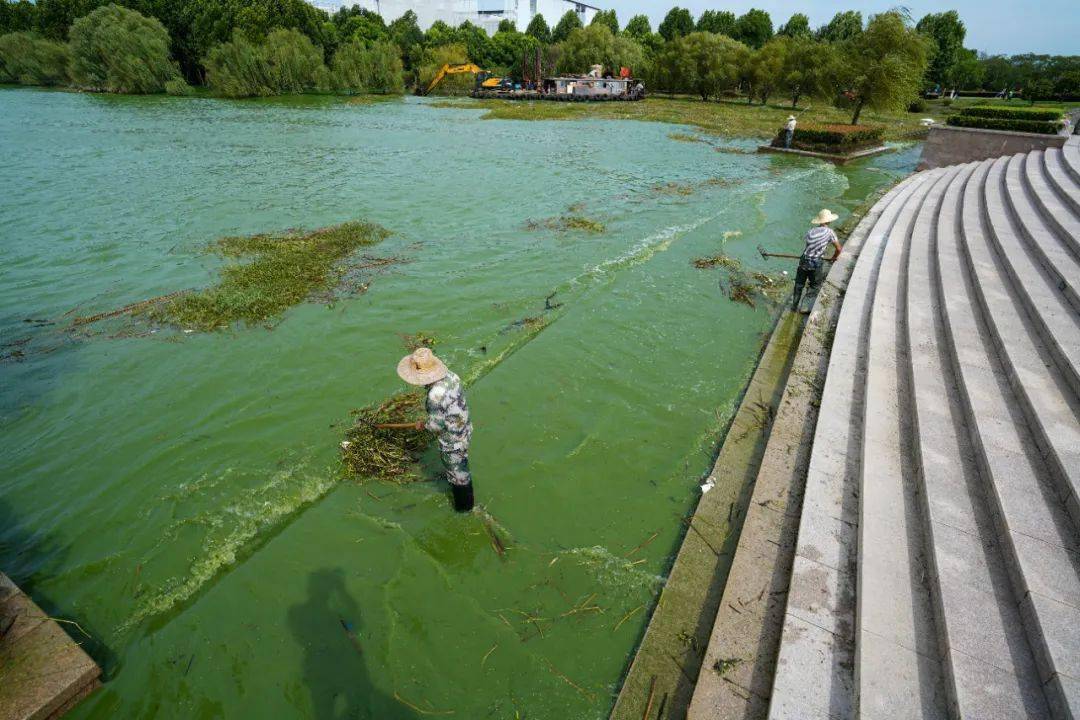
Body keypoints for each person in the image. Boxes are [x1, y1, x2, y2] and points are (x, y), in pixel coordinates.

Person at [396, 347, 475, 512]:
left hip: (452, 441)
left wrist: (423, 425)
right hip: (465, 427)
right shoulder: (452, 376)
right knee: (461, 461)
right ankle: (459, 478)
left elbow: (436, 426)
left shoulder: (434, 396)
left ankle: (465, 508)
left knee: (459, 475)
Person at [791, 209, 842, 314]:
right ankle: (805, 307)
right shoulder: (830, 232)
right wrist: (833, 258)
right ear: (829, 221)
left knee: (799, 284)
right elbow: (838, 249)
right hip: (816, 262)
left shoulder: (811, 231)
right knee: (814, 285)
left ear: (819, 221)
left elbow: (808, 247)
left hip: (804, 260)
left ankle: (794, 306)